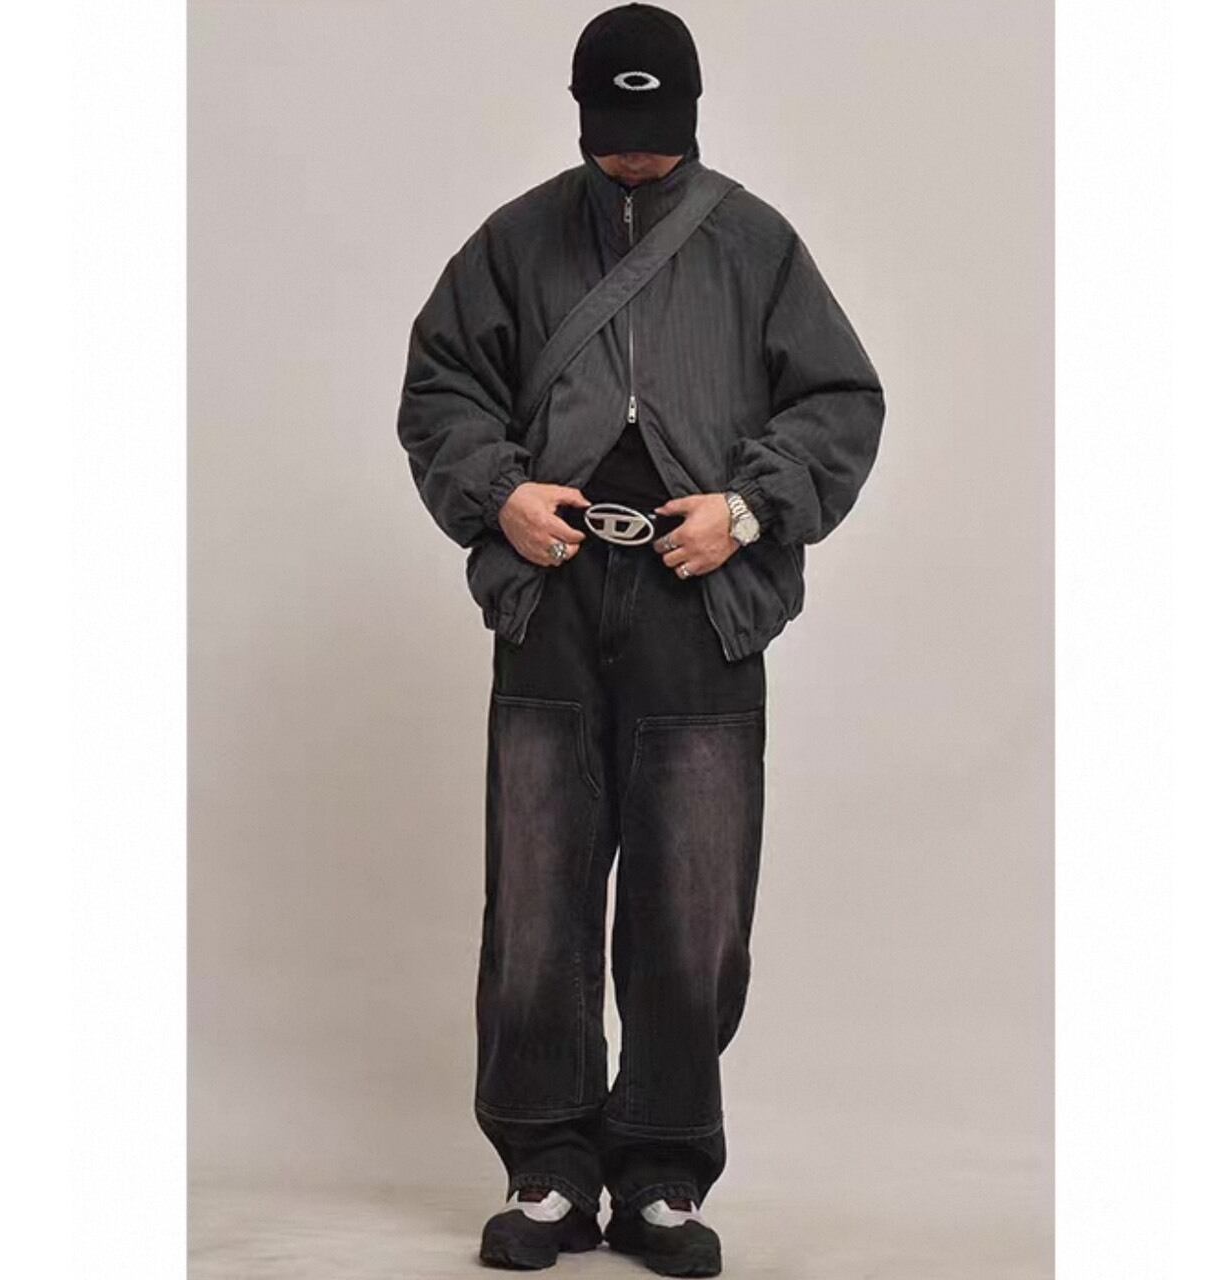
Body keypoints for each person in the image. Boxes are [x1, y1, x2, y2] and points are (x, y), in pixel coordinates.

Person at [396, 4, 884, 1273]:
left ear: (691, 113)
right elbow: (439, 387)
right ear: (579, 114)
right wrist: (500, 490)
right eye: (614, 125)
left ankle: (663, 1169)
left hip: (697, 604)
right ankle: (547, 1167)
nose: (635, 148)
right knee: (537, 891)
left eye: (655, 125)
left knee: (694, 899)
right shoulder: (514, 240)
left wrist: (746, 509)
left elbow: (840, 400)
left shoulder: (754, 243)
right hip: (550, 595)